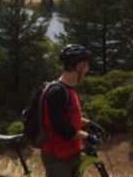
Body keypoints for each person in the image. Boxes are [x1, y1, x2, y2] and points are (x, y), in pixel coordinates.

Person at [40, 44, 93, 177]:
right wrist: (87, 136)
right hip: (58, 157)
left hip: (70, 153)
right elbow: (60, 127)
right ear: (80, 66)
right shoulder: (56, 92)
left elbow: (68, 118)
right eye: (87, 65)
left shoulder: (68, 90)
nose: (88, 69)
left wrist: (89, 123)